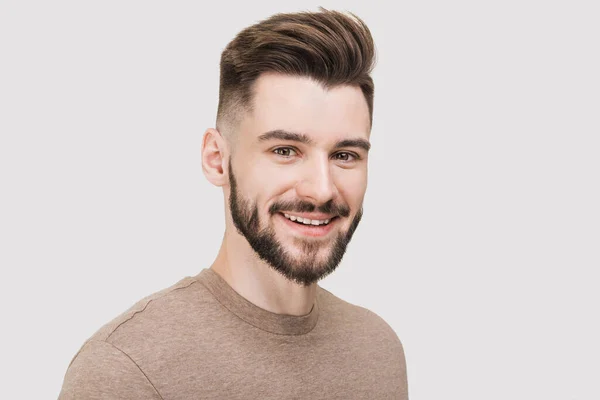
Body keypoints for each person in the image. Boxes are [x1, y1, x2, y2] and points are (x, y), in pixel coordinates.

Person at [59, 8, 408, 399]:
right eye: (285, 150)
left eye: (345, 155)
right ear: (216, 158)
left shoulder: (377, 348)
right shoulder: (126, 370)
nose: (321, 190)